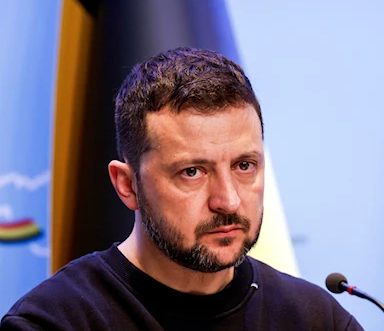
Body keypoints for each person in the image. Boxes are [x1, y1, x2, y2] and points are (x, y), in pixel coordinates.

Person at [0, 47, 363, 330]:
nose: (229, 200)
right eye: (192, 172)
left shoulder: (317, 320)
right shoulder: (55, 322)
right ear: (127, 185)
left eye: (244, 166)